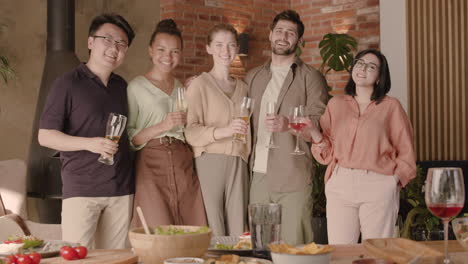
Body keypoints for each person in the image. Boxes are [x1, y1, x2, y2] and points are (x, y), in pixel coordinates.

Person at [38, 13, 135, 249]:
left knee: (116, 259)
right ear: (91, 42)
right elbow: (45, 136)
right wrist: (89, 143)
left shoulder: (122, 86)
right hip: (82, 189)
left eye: (121, 43)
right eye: (108, 39)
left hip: (121, 189)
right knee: (77, 256)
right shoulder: (68, 83)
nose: (115, 48)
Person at [306, 49, 416, 244]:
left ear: (380, 76)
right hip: (341, 183)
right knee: (340, 252)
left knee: (377, 252)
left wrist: (393, 182)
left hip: (378, 184)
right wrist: (313, 132)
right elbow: (327, 153)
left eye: (371, 66)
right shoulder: (336, 104)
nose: (362, 68)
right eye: (359, 62)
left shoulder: (392, 107)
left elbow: (406, 150)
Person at [245, 10, 328, 245]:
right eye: (279, 31)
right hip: (258, 175)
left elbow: (319, 122)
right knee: (260, 248)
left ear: (299, 41)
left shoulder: (310, 77)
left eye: (290, 33)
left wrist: (288, 125)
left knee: (295, 247)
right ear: (270, 35)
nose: (284, 36)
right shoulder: (253, 77)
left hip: (293, 176)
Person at [126, 19, 207, 228]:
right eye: (161, 49)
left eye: (175, 51)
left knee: (190, 224)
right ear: (150, 50)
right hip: (150, 162)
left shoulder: (181, 87)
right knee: (156, 227)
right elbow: (129, 138)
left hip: (182, 160)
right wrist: (162, 126)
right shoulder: (136, 87)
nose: (168, 57)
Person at [185, 23, 250, 237]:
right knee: (214, 227)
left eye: (231, 45)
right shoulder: (199, 84)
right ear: (209, 48)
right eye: (219, 44)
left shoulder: (244, 88)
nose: (226, 51)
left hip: (239, 162)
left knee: (239, 229)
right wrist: (223, 131)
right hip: (209, 161)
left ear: (237, 49)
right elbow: (190, 131)